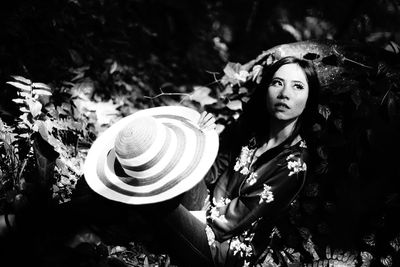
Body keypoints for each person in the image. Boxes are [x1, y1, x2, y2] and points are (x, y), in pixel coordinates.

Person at [0, 55, 320, 267]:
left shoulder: (293, 164)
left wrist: (182, 205)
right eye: (278, 82)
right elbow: (218, 170)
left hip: (222, 251)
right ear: (267, 89)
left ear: (308, 99)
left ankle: (33, 223)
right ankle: (63, 218)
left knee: (151, 195)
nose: (284, 93)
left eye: (297, 86)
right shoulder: (256, 131)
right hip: (208, 209)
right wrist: (202, 134)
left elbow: (230, 224)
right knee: (162, 165)